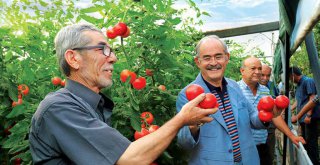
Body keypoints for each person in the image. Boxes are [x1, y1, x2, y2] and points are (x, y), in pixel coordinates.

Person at [28, 23, 218, 165]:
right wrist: (181, 119)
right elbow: (130, 158)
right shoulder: (59, 108)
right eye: (103, 49)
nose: (114, 57)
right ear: (73, 58)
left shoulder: (92, 104)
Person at [176, 35, 305, 165]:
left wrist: (267, 115)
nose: (214, 62)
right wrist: (192, 125)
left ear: (227, 58)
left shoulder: (234, 87)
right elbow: (184, 144)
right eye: (207, 58)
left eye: (218, 56)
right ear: (198, 62)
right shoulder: (188, 95)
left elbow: (253, 118)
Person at [238, 57, 304, 165]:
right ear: (242, 71)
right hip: (242, 147)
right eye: (253, 68)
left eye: (259, 69)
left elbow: (274, 116)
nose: (258, 72)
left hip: (262, 143)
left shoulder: (265, 90)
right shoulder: (235, 89)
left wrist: (292, 136)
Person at [289, 66, 320, 165]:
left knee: (311, 143)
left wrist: (309, 115)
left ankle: (314, 162)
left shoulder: (308, 81)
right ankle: (307, 161)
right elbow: (298, 100)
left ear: (293, 75)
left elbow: (313, 98)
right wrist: (289, 109)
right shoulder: (298, 84)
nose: (290, 80)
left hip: (309, 118)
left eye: (289, 78)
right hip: (303, 118)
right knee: (306, 140)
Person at [259, 64, 278, 164]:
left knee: (269, 154)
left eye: (268, 75)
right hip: (253, 130)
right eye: (262, 75)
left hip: (270, 126)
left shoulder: (271, 86)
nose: (265, 78)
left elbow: (276, 102)